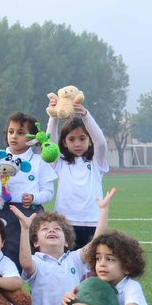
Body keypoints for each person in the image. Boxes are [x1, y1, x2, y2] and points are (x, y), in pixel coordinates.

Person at [11, 188, 116, 305]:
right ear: (36, 242)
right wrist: (25, 228)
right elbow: (25, 262)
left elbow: (97, 242)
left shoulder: (74, 259)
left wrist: (103, 210)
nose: (51, 231)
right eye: (45, 229)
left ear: (67, 241)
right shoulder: (37, 261)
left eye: (57, 229)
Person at [0, 111, 56, 266]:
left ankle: (38, 290)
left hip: (33, 214)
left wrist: (34, 197)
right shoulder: (0, 160)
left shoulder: (40, 161)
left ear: (33, 139)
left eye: (20, 133)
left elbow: (49, 192)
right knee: (8, 259)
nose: (14, 136)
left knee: (36, 259)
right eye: (11, 132)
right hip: (7, 214)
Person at [50, 102, 111, 247]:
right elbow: (50, 143)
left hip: (93, 222)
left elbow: (101, 143)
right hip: (65, 224)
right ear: (64, 143)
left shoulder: (97, 162)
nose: (77, 143)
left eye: (82, 138)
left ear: (90, 141)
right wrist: (54, 117)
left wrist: (86, 116)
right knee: (67, 265)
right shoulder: (60, 163)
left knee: (91, 267)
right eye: (71, 139)